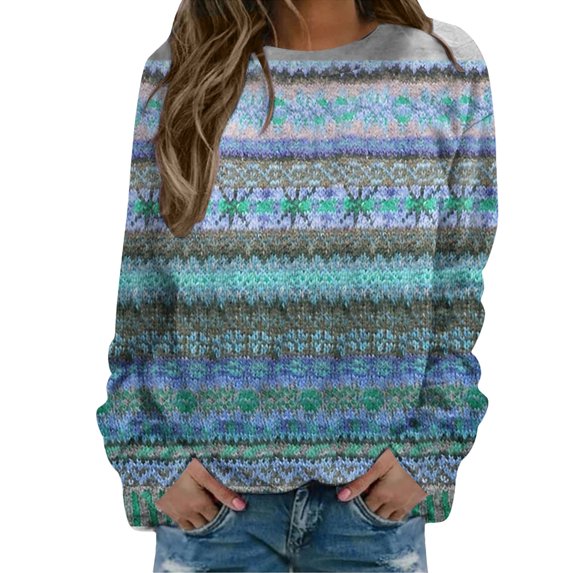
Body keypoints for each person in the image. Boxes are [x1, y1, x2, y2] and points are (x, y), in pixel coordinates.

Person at [95, 0, 498, 571]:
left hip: (371, 511)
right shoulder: (182, 70)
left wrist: (430, 450)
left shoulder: (442, 68)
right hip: (212, 517)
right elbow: (144, 293)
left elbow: (457, 286)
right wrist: (150, 461)